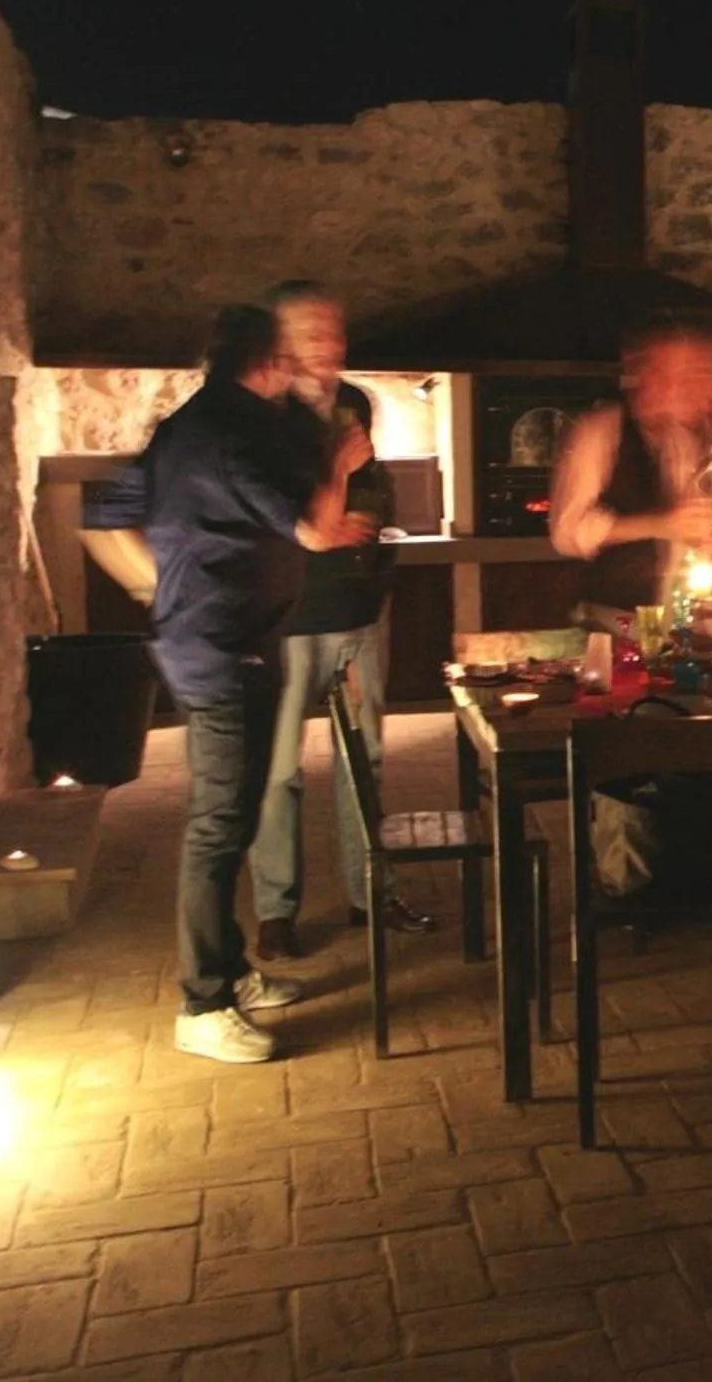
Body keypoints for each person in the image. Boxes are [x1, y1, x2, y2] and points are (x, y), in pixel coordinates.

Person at [81, 305, 371, 1065]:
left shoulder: (198, 423)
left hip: (225, 640)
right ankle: (203, 1003)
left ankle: (232, 971)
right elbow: (308, 529)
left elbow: (101, 509)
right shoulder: (230, 434)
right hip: (220, 653)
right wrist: (340, 464)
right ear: (266, 359)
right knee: (218, 826)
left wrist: (161, 589)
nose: (310, 363)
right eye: (296, 351)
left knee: (234, 817)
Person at [249, 282, 430, 961]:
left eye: (334, 329)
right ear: (279, 341)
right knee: (278, 772)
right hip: (288, 616)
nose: (328, 343)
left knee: (367, 761)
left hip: (356, 609)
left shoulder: (353, 403)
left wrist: (372, 517)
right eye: (310, 330)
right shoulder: (261, 413)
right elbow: (272, 514)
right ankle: (275, 910)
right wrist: (332, 487)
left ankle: (369, 893)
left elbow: (370, 485)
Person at [549, 312, 712, 630]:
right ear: (652, 376)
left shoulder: (688, 441)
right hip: (615, 624)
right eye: (692, 378)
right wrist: (659, 524)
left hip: (684, 622)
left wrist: (709, 538)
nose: (707, 393)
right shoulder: (600, 431)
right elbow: (569, 530)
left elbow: (687, 530)